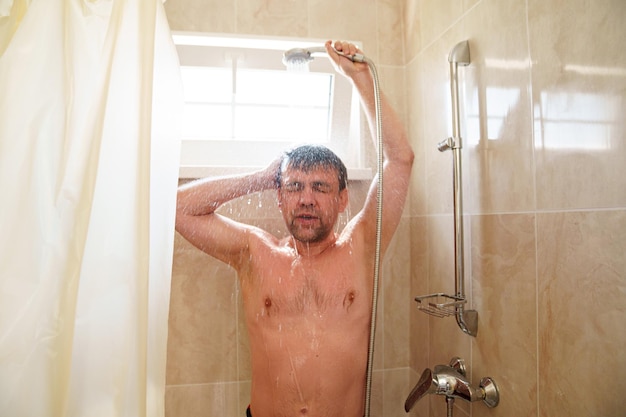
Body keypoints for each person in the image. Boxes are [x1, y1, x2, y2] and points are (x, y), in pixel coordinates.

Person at [175, 40, 414, 417]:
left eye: (320, 188)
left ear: (342, 199)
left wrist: (360, 79)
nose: (306, 199)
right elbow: (179, 209)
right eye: (294, 187)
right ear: (280, 198)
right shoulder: (255, 253)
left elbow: (400, 160)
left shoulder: (362, 247)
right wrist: (258, 177)